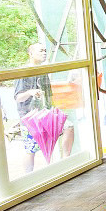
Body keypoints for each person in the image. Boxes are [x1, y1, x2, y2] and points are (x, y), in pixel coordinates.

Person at [14, 42, 75, 172]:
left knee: (68, 126)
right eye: (40, 51)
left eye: (45, 50)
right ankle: (28, 176)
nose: (44, 53)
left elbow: (49, 97)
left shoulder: (44, 71)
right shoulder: (23, 72)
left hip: (46, 114)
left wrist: (56, 112)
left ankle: (66, 163)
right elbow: (18, 98)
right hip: (29, 117)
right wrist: (30, 92)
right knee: (30, 148)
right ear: (30, 53)